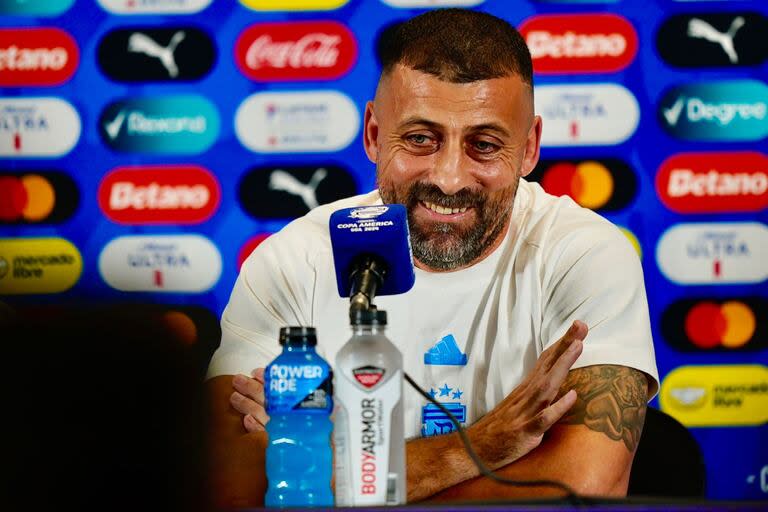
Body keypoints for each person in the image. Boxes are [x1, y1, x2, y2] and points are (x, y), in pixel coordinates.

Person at [204, 8, 658, 509]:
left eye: (484, 145)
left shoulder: (584, 253)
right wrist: (479, 448)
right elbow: (234, 487)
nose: (449, 178)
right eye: (421, 139)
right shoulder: (292, 262)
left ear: (529, 149)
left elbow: (586, 484)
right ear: (375, 135)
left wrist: (328, 466)